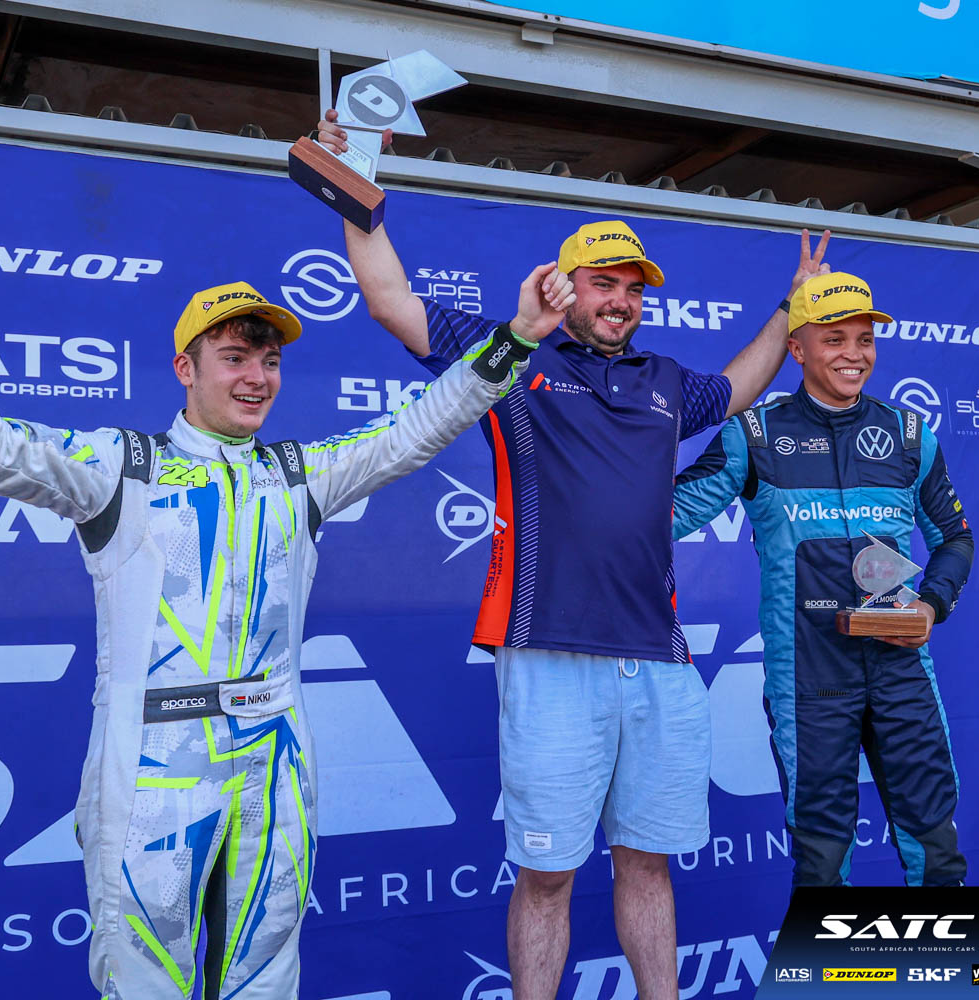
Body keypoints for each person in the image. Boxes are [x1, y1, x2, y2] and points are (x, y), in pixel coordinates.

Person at [0, 217, 567, 999]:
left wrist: (516, 337)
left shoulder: (299, 473)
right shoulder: (121, 466)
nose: (257, 378)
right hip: (155, 762)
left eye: (270, 361)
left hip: (275, 759)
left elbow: (418, 428)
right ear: (185, 367)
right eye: (235, 357)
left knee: (265, 981)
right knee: (146, 985)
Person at [316, 112, 825, 1000]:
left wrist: (791, 308)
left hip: (659, 661)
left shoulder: (666, 381)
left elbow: (742, 385)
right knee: (547, 876)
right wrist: (356, 187)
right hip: (550, 655)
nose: (620, 300)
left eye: (632, 287)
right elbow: (392, 302)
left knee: (648, 866)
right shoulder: (513, 357)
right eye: (603, 284)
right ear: (565, 286)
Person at [671, 270, 973, 887]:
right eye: (834, 339)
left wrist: (930, 606)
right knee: (822, 861)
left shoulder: (910, 435)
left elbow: (955, 539)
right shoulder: (753, 436)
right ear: (797, 349)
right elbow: (665, 516)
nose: (853, 355)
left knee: (937, 852)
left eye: (864, 340)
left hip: (902, 675)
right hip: (808, 681)